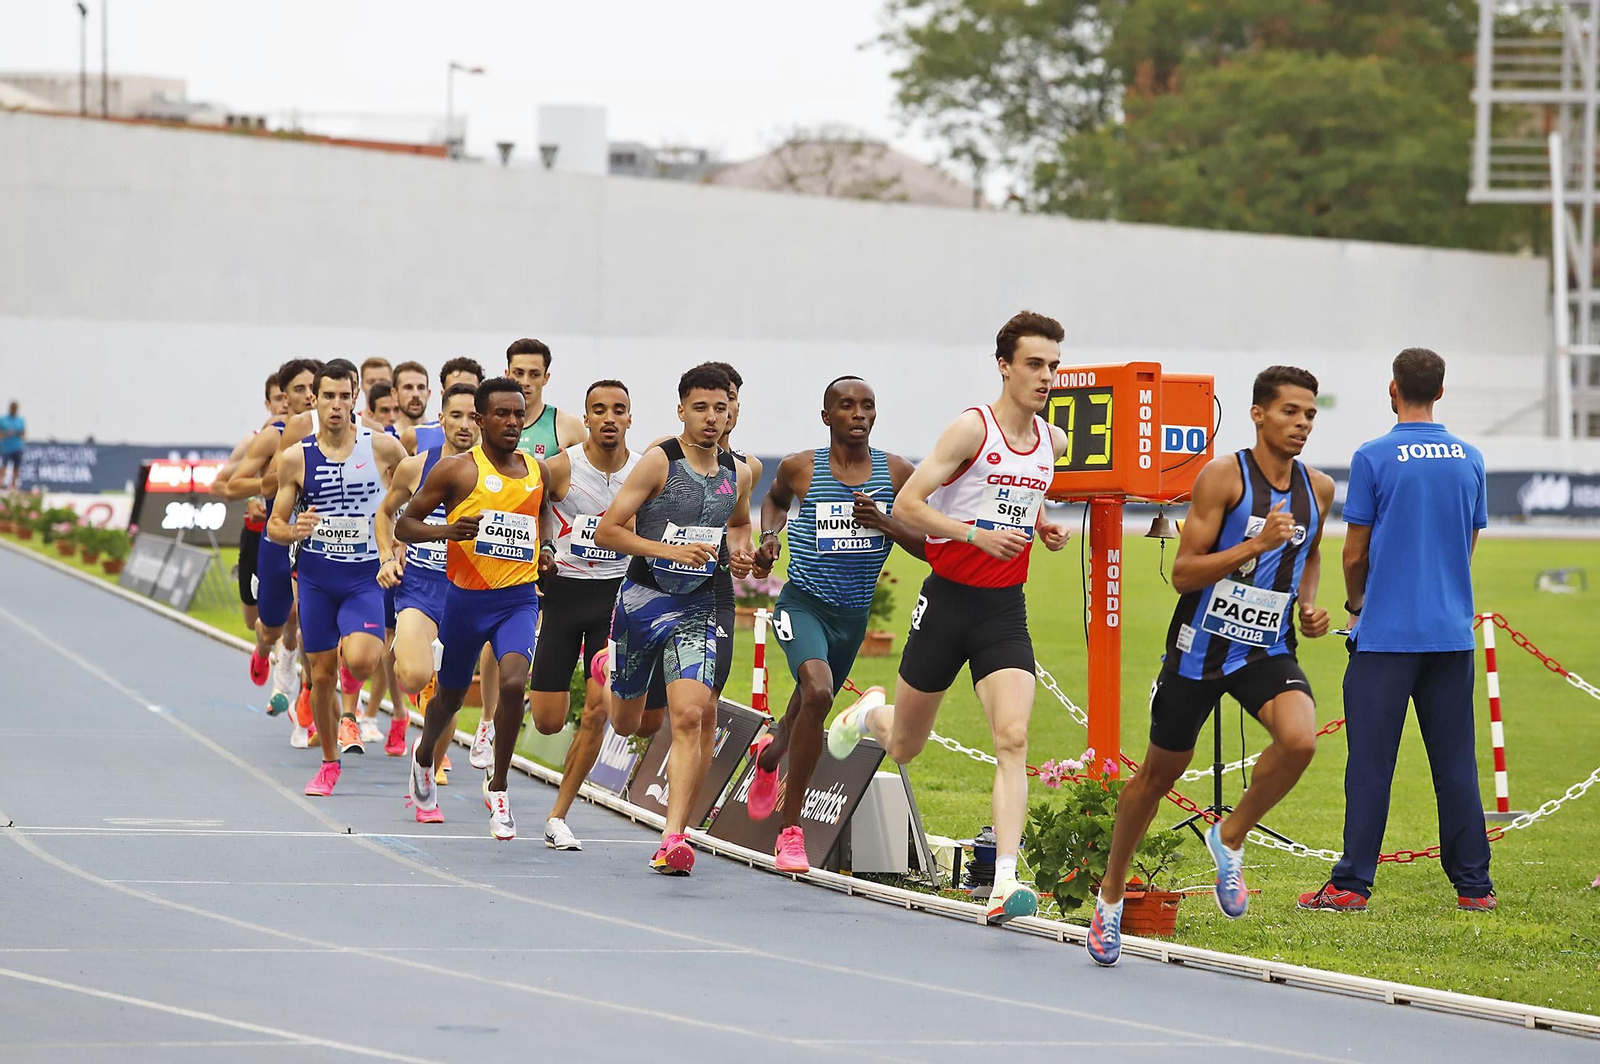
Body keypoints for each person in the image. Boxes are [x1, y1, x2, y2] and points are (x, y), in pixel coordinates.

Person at [827, 311, 1071, 924]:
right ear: (1004, 366)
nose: (1046, 376)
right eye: (1035, 364)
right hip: (946, 602)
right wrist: (974, 534)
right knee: (905, 745)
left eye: (1053, 366)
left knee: (1013, 737)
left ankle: (1005, 883)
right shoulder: (972, 429)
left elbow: (1019, 498)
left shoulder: (1054, 442)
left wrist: (1042, 526)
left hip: (1003, 609)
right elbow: (909, 504)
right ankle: (868, 713)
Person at [1086, 366, 1334, 967]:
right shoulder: (1224, 477)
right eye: (1290, 411)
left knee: (1300, 741)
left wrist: (1307, 605)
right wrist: (1255, 545)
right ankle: (1111, 894)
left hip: (1264, 648)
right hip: (1199, 648)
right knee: (1157, 776)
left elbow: (1310, 554)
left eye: (1309, 414)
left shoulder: (1319, 489)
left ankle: (1229, 835)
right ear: (1258, 414)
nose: (1302, 423)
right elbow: (1183, 573)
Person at [1300, 348, 1495, 914]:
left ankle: (1351, 884)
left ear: (1393, 389)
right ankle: (1474, 887)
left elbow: (1353, 553)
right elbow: (1467, 543)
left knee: (1370, 764)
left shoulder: (1373, 456)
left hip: (1386, 635)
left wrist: (1357, 604)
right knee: (1455, 764)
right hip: (1450, 634)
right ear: (1441, 391)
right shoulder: (1470, 458)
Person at [746, 376, 923, 872]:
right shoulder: (801, 467)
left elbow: (927, 543)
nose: (858, 414)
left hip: (852, 618)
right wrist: (770, 537)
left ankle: (768, 756)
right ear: (827, 416)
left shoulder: (897, 473)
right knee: (820, 692)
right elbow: (774, 501)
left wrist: (884, 522)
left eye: (867, 405)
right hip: (802, 605)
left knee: (806, 707)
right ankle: (790, 832)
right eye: (846, 406)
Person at [594, 363, 755, 876]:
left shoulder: (739, 471)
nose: (711, 417)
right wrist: (668, 550)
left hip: (697, 608)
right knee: (627, 723)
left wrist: (743, 553)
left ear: (731, 412)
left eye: (720, 408)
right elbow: (607, 531)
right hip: (643, 601)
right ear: (681, 410)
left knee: (690, 716)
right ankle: (608, 668)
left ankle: (673, 838)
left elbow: (740, 523)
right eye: (700, 408)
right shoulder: (658, 461)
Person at [399, 378, 554, 837]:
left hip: (518, 599)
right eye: (502, 414)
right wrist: (447, 532)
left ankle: (499, 787)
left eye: (519, 414)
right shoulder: (456, 471)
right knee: (448, 699)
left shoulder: (536, 470)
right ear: (481, 420)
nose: (513, 422)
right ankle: (424, 756)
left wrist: (546, 549)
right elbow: (406, 524)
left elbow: (542, 512)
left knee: (513, 682)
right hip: (465, 602)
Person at [267, 359, 406, 797]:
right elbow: (275, 524)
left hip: (364, 576)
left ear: (355, 398)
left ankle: (352, 680)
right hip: (316, 578)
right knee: (322, 675)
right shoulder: (296, 457)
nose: (336, 405)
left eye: (345, 396)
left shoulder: (382, 448)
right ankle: (329, 763)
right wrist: (295, 530)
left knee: (363, 659)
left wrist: (399, 542)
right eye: (328, 396)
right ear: (315, 399)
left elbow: (413, 496)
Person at [527, 379, 639, 850]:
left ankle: (558, 817)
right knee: (548, 721)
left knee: (597, 712)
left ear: (630, 417)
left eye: (618, 409)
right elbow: (529, 511)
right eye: (599, 409)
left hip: (615, 598)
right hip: (563, 596)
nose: (609, 417)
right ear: (586, 418)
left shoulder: (643, 471)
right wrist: (543, 550)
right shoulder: (560, 468)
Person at [376, 383, 479, 777]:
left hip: (465, 594)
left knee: (449, 696)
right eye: (456, 415)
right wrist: (387, 557)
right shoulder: (415, 467)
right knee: (415, 674)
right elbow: (385, 514)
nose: (465, 424)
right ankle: (420, 677)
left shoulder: (497, 474)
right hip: (419, 587)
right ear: (441, 419)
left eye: (473, 416)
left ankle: (427, 771)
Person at [229, 359, 319, 726]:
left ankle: (294, 682)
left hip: (313, 539)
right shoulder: (273, 435)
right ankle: (264, 646)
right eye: (300, 389)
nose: (309, 395)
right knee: (271, 624)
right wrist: (269, 485)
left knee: (303, 616)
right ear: (285, 395)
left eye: (314, 388)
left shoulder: (337, 434)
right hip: (276, 538)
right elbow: (233, 485)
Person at [212, 373, 290, 636]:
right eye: (278, 398)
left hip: (294, 535)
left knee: (293, 613)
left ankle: (286, 651)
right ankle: (267, 647)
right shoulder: (255, 440)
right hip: (258, 536)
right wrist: (254, 498)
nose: (285, 403)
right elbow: (219, 486)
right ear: (268, 404)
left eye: (288, 396)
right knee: (253, 620)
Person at [506, 338, 585, 462]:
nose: (525, 382)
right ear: (507, 375)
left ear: (546, 378)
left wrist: (567, 468)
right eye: (519, 373)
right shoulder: (488, 425)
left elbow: (592, 472)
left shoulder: (569, 426)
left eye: (534, 374)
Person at [404, 357, 485, 457]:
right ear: (443, 394)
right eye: (455, 390)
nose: (463, 395)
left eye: (470, 389)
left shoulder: (496, 443)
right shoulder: (416, 435)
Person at [392, 361, 432, 441]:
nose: (415, 394)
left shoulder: (442, 437)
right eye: (408, 387)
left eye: (421, 387)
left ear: (428, 393)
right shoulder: (384, 439)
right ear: (395, 393)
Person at [358, 358, 393, 433]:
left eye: (383, 381)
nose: (377, 386)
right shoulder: (354, 423)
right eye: (371, 382)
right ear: (362, 385)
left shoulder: (404, 422)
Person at [0, 400, 25, 491]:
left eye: (15, 408)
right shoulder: (3, 419)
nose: (14, 409)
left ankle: (13, 486)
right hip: (6, 447)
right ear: (10, 408)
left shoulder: (20, 420)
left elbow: (23, 433)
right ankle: (1, 484)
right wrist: (7, 433)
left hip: (17, 447)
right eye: (12, 408)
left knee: (16, 467)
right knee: (4, 466)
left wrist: (15, 432)